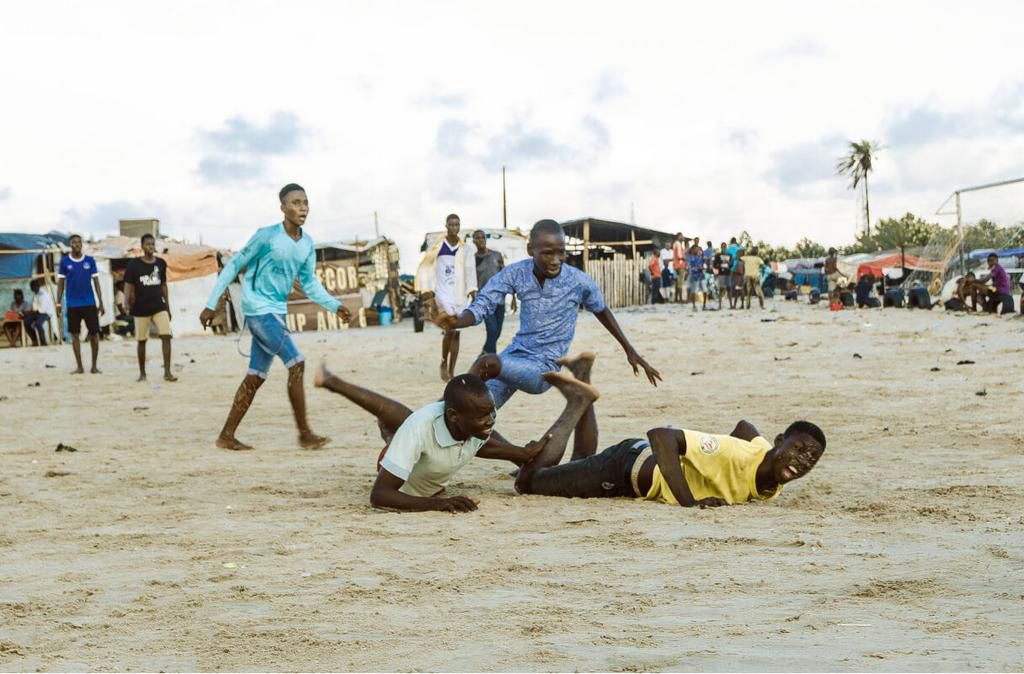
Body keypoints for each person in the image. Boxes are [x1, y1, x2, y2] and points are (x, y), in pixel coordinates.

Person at [436, 220, 660, 459]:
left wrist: (630, 350)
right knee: (473, 416)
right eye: (547, 253)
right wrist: (458, 321)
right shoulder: (515, 273)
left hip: (543, 368)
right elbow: (482, 305)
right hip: (515, 356)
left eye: (560, 252)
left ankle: (437, 413)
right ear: (530, 249)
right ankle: (522, 457)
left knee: (487, 362)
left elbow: (602, 310)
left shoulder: (578, 281)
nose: (555, 260)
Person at [513, 353, 826, 506]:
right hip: (622, 470)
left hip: (630, 461)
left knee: (579, 458)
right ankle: (574, 405)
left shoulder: (767, 459)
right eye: (798, 450)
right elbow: (661, 435)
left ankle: (583, 383)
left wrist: (706, 471)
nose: (802, 461)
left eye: (812, 458)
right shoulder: (734, 454)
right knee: (528, 484)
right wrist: (691, 502)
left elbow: (746, 427)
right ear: (780, 441)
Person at [313, 358, 596, 512]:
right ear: (454, 416)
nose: (490, 421)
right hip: (405, 469)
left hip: (436, 449)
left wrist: (521, 454)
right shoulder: (421, 428)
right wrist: (438, 504)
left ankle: (577, 400)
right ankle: (334, 383)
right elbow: (380, 496)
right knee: (406, 421)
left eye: (491, 413)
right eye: (483, 416)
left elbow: (480, 445)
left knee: (409, 420)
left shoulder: (474, 424)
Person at [199, 183, 352, 451]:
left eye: (305, 202)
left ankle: (226, 435)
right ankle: (304, 433)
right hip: (258, 310)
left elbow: (309, 283)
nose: (302, 207)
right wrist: (212, 303)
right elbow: (234, 264)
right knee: (297, 362)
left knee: (256, 376)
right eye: (295, 202)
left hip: (277, 311)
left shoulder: (306, 244)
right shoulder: (267, 236)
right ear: (282, 208)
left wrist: (335, 305)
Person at [124, 233, 176, 382]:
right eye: (147, 244)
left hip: (159, 306)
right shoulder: (134, 265)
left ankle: (167, 372)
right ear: (142, 247)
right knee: (141, 340)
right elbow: (128, 284)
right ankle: (142, 373)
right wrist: (126, 303)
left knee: (166, 335)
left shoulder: (160, 263)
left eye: (152, 244)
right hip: (141, 308)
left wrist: (168, 306)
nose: (150, 247)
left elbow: (163, 285)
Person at [56, 233, 105, 374]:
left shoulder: (90, 261)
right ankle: (79, 366)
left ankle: (94, 366)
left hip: (89, 303)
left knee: (94, 334)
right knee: (75, 335)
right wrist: (58, 303)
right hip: (72, 304)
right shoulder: (65, 262)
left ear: (82, 244)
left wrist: (101, 302)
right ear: (70, 245)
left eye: (79, 242)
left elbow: (96, 283)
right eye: (74, 242)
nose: (77, 244)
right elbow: (60, 284)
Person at [471, 229, 517, 355]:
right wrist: (474, 299)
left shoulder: (497, 255)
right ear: (474, 241)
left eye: (483, 237)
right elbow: (471, 282)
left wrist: (513, 297)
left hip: (500, 300)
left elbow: (505, 276)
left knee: (497, 332)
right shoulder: (473, 260)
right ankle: (491, 359)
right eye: (478, 238)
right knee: (492, 330)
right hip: (485, 301)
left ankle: (484, 353)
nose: (481, 240)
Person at [30, 279, 55, 345]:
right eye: (31, 287)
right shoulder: (36, 295)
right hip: (38, 313)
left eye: (33, 287)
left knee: (38, 323)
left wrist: (34, 312)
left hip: (46, 313)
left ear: (37, 286)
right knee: (27, 321)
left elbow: (43, 309)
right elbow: (34, 306)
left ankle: (43, 341)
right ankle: (34, 340)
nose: (32, 288)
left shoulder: (44, 294)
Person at [685, 241, 705, 312]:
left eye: (698, 249)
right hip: (693, 275)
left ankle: (702, 305)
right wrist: (697, 268)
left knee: (702, 290)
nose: (697, 250)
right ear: (692, 249)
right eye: (696, 249)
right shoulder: (689, 257)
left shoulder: (699, 257)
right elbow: (689, 267)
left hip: (699, 275)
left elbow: (701, 265)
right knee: (692, 291)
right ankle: (693, 305)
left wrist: (701, 268)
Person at [712, 242, 732, 310]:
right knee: (721, 289)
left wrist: (729, 264)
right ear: (721, 247)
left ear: (726, 247)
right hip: (721, 274)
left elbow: (731, 264)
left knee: (729, 289)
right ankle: (720, 305)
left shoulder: (729, 255)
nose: (723, 248)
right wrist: (720, 265)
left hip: (728, 273)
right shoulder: (718, 255)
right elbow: (714, 265)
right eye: (722, 247)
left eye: (725, 247)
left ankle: (731, 305)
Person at [672, 233, 687, 303]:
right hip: (680, 266)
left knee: (677, 283)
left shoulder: (678, 244)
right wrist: (685, 258)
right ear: (678, 237)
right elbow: (679, 255)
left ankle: (676, 299)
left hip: (677, 265)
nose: (683, 237)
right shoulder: (678, 243)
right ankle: (680, 299)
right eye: (682, 236)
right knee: (680, 283)